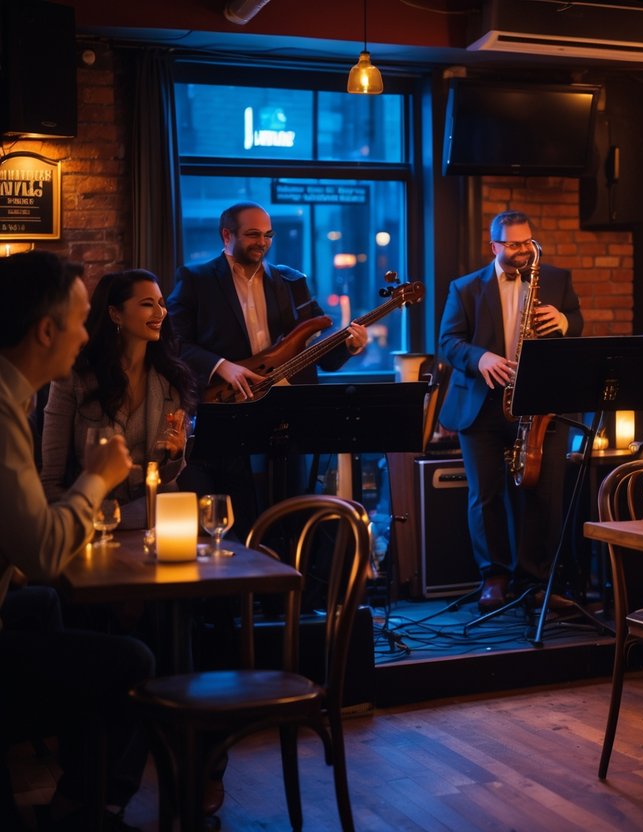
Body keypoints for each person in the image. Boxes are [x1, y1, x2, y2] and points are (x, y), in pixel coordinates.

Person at [0, 250, 153, 831]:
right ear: (45, 330)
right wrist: (99, 478)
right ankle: (89, 804)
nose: (86, 335)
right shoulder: (6, 407)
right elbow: (40, 552)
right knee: (130, 659)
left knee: (48, 606)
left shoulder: (18, 394)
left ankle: (77, 798)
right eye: (81, 319)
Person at [167, 201, 368, 535]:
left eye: (268, 234)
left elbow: (320, 352)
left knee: (289, 515)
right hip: (229, 408)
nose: (262, 242)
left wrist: (348, 345)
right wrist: (222, 367)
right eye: (252, 234)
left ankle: (286, 580)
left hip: (287, 417)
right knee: (237, 517)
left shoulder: (291, 281)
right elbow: (173, 342)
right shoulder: (196, 278)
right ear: (226, 235)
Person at [438, 210, 583, 612]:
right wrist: (480, 357)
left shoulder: (556, 279)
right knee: (485, 495)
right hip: (482, 406)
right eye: (514, 245)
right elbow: (447, 343)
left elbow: (578, 321)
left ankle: (535, 581)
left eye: (528, 243)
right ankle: (494, 577)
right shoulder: (465, 288)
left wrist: (565, 321)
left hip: (538, 405)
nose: (523, 252)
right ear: (494, 246)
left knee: (544, 494)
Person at [41, 269, 193, 529]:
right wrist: (71, 528)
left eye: (161, 303)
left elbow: (167, 480)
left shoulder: (172, 379)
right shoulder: (75, 378)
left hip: (156, 521)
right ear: (115, 314)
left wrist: (176, 454)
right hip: (92, 521)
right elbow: (52, 479)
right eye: (147, 304)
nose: (160, 313)